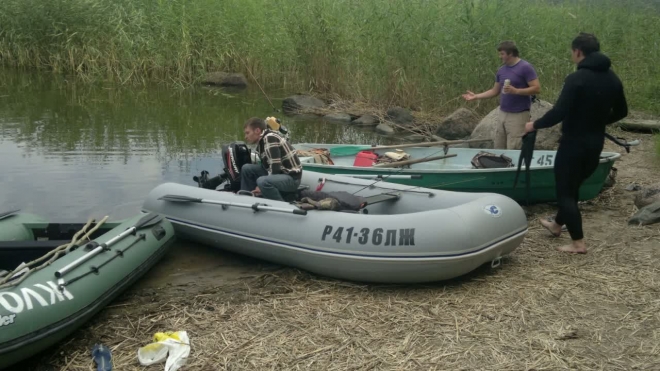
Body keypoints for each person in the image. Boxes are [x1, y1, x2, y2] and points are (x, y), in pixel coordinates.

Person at [523, 32, 628, 254]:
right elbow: (622, 111)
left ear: (578, 51)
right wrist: (598, 122)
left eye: (572, 52)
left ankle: (578, 243)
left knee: (565, 193)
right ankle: (556, 225)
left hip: (573, 144)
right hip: (595, 143)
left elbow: (559, 112)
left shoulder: (576, 79)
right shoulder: (613, 78)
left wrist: (534, 125)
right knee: (573, 187)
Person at [462, 40, 541, 149]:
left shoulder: (525, 67)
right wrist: (476, 96)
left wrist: (516, 91)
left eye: (502, 54)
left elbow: (536, 88)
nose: (500, 56)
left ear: (511, 54)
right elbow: (495, 91)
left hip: (519, 114)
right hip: (503, 113)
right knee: (499, 147)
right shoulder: (501, 70)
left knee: (514, 147)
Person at [240, 117, 303, 201]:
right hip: (282, 174)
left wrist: (260, 187)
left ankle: (280, 206)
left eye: (247, 133)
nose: (246, 137)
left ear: (257, 131)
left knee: (262, 182)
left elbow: (275, 167)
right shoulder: (262, 140)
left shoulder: (270, 138)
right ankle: (248, 198)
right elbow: (267, 166)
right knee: (247, 168)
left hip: (291, 178)